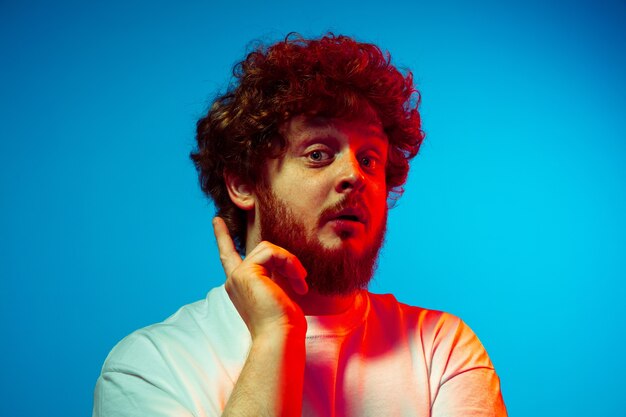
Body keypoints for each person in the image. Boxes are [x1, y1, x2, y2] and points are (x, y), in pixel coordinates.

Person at [93, 33, 507, 416]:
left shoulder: (440, 348)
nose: (354, 176)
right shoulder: (149, 366)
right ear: (242, 183)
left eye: (369, 160)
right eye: (318, 154)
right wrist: (275, 336)